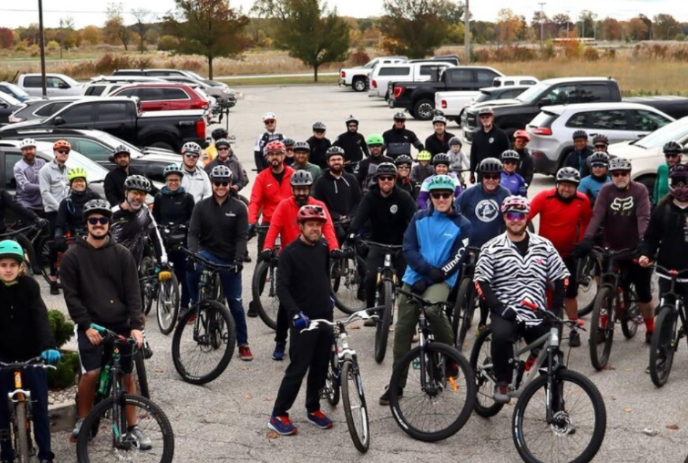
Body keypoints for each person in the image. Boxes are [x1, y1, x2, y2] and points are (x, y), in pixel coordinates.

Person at [60, 199, 146, 444]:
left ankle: (133, 426)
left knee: (127, 377)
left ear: (109, 223)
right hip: (92, 326)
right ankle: (83, 419)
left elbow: (133, 292)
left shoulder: (123, 254)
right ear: (86, 224)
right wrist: (86, 326)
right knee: (92, 373)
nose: (98, 224)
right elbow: (71, 296)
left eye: (103, 220)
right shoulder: (72, 256)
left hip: (120, 324)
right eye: (93, 220)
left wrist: (135, 327)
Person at [379, 175, 472, 404]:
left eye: (445, 195)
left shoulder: (463, 224)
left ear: (453, 196)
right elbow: (409, 247)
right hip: (415, 277)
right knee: (402, 331)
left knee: (432, 310)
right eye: (436, 195)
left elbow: (458, 258)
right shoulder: (419, 217)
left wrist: (433, 275)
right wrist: (424, 272)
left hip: (442, 278)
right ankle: (396, 384)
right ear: (430, 197)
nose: (441, 199)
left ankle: (450, 358)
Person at [474, 196, 569, 403]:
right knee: (501, 336)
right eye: (511, 215)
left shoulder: (543, 245)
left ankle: (555, 405)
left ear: (527, 217)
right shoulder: (491, 247)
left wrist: (556, 307)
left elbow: (561, 276)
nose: (516, 220)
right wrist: (498, 307)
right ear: (504, 218)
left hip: (536, 311)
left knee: (552, 356)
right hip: (506, 310)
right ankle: (502, 379)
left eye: (520, 215)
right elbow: (481, 282)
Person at [268, 206, 335, 436]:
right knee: (298, 368)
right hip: (303, 321)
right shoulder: (289, 253)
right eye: (311, 225)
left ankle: (313, 408)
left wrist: (329, 297)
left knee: (320, 365)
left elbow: (324, 275)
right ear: (301, 227)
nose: (316, 228)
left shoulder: (324, 246)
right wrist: (295, 313)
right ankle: (278, 413)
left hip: (324, 316)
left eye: (319, 224)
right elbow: (282, 288)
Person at [575, 158, 654, 343]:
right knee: (605, 287)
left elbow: (644, 217)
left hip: (635, 248)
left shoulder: (639, 190)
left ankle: (651, 328)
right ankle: (602, 326)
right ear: (611, 175)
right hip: (611, 248)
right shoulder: (606, 190)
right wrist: (587, 238)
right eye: (616, 174)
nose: (620, 177)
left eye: (623, 173)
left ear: (629, 174)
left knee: (643, 293)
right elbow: (597, 215)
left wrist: (643, 242)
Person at [262, 171, 339, 361]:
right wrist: (267, 247)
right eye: (298, 189)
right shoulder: (284, 205)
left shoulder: (318, 205)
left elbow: (328, 227)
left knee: (323, 297)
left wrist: (334, 247)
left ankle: (326, 337)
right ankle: (281, 340)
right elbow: (274, 228)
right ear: (293, 189)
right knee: (285, 306)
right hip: (290, 258)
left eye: (305, 189)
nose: (301, 193)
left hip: (313, 255)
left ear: (309, 189)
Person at [0, 240, 60, 463]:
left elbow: (40, 318)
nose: (7, 269)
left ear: (20, 266)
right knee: (1, 412)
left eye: (12, 265)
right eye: (3, 264)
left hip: (31, 354)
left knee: (41, 408)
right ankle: (6, 453)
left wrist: (49, 346)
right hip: (3, 357)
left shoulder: (30, 286)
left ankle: (46, 454)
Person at [187, 165, 253, 361]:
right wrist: (192, 253)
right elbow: (193, 233)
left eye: (225, 183)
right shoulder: (201, 206)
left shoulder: (239, 207)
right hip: (208, 253)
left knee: (236, 303)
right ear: (212, 184)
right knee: (191, 269)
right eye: (217, 183)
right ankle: (194, 301)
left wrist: (238, 259)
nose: (221, 187)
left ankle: (243, 343)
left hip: (229, 257)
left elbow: (242, 237)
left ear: (230, 184)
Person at [529, 167, 592, 347]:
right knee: (539, 291)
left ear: (576, 187)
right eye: (564, 185)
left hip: (567, 254)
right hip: (543, 255)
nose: (567, 189)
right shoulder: (544, 197)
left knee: (570, 293)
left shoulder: (583, 200)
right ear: (557, 184)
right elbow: (526, 217)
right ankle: (535, 326)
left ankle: (573, 328)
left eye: (571, 186)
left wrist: (582, 242)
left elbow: (587, 221)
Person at [348, 163, 417, 315]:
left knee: (407, 282)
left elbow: (415, 217)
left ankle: (409, 319)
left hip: (400, 245)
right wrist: (352, 232)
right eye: (383, 178)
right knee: (371, 276)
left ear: (394, 179)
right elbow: (360, 216)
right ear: (377, 180)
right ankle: (371, 311)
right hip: (377, 243)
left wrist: (418, 236)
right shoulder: (370, 197)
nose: (386, 181)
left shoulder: (403, 196)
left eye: (390, 178)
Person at [639, 164, 688, 372]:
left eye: (684, 183)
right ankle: (661, 352)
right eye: (676, 183)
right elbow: (650, 238)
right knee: (666, 313)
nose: (681, 187)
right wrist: (645, 254)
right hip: (667, 270)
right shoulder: (662, 209)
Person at [455, 157, 511, 332]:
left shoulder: (505, 194)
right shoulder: (471, 193)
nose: (491, 180)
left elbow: (511, 218)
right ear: (481, 177)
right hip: (470, 245)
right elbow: (455, 209)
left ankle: (483, 321)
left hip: (492, 247)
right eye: (487, 176)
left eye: (495, 176)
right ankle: (458, 305)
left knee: (489, 285)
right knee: (460, 278)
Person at [153, 164, 195, 314]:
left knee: (184, 274)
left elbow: (193, 218)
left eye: (176, 180)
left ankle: (184, 306)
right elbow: (155, 218)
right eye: (170, 180)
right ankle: (165, 297)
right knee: (166, 272)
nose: (173, 183)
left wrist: (185, 225)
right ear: (166, 181)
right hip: (165, 241)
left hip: (182, 241)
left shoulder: (187, 198)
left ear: (181, 181)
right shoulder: (159, 197)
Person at [247, 141, 295, 256]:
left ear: (283, 155)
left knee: (294, 258)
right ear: (267, 157)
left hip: (288, 222)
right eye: (271, 154)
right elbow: (255, 201)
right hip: (268, 223)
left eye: (278, 154)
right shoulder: (262, 177)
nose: (275, 157)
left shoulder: (293, 174)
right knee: (262, 259)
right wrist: (251, 222)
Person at [111, 175, 167, 270]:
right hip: (114, 268)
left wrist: (162, 258)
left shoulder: (144, 211)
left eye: (142, 194)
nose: (138, 197)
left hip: (135, 269)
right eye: (134, 193)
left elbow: (155, 235)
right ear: (126, 193)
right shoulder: (112, 214)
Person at [39, 140, 70, 295]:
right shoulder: (46, 170)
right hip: (53, 211)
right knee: (54, 245)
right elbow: (45, 192)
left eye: (66, 151)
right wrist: (61, 208)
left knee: (70, 242)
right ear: (55, 153)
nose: (63, 154)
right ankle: (52, 280)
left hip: (66, 211)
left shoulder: (68, 170)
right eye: (60, 151)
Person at [312, 147, 362, 243]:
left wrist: (350, 216)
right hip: (330, 223)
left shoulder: (351, 179)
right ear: (328, 162)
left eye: (339, 159)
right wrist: (337, 216)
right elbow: (318, 204)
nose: (336, 162)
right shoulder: (321, 181)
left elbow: (358, 200)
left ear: (343, 161)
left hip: (351, 221)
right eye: (333, 160)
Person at [54, 167, 101, 252]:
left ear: (85, 183)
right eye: (76, 181)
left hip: (95, 234)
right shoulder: (66, 203)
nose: (79, 183)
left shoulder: (94, 197)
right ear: (71, 184)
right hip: (75, 238)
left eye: (81, 181)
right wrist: (58, 236)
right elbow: (60, 224)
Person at [469, 107, 510, 184]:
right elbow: (473, 155)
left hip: (497, 172)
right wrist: (472, 172)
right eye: (483, 117)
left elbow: (506, 153)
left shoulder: (501, 134)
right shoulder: (477, 135)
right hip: (482, 172)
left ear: (492, 118)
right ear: (480, 119)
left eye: (487, 117)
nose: (485, 119)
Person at [14, 138, 46, 213]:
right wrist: (45, 186)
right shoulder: (18, 166)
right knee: (32, 223)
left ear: (35, 150)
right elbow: (26, 187)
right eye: (25, 149)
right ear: (22, 152)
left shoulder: (42, 163)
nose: (28, 151)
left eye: (31, 148)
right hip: (26, 203)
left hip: (42, 203)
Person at [654, 141, 683, 206]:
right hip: (662, 210)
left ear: (680, 156)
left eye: (673, 156)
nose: (670, 159)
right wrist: (654, 205)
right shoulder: (661, 168)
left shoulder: (684, 171)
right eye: (667, 156)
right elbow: (656, 189)